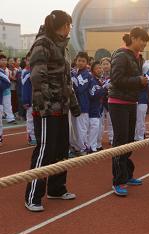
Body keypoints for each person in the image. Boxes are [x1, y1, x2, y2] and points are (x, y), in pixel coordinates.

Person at [24, 10, 81, 212]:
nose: (69, 29)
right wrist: (48, 103)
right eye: (68, 25)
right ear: (61, 25)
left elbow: (67, 80)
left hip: (61, 106)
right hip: (47, 108)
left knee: (61, 149)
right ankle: (32, 195)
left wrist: (73, 103)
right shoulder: (43, 43)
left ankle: (56, 188)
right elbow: (38, 78)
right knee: (45, 151)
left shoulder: (63, 46)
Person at [108, 27, 149, 196]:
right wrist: (138, 80)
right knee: (120, 141)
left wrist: (141, 83)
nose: (145, 44)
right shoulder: (121, 55)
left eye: (146, 41)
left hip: (131, 101)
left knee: (129, 140)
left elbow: (133, 81)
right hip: (118, 102)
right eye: (142, 40)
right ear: (133, 38)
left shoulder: (138, 57)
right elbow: (116, 79)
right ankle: (118, 180)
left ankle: (126, 174)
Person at [70, 52, 92, 156]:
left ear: (87, 63)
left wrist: (73, 79)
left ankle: (84, 148)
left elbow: (80, 89)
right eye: (79, 60)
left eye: (83, 61)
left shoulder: (87, 74)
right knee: (74, 129)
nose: (80, 63)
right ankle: (77, 147)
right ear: (75, 61)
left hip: (82, 106)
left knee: (81, 129)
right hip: (74, 105)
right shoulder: (75, 73)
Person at [88, 61, 106, 152]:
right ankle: (92, 148)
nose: (100, 70)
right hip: (93, 110)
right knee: (94, 128)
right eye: (97, 68)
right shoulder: (92, 81)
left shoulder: (99, 80)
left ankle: (96, 145)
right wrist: (104, 89)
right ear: (92, 70)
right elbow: (93, 94)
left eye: (100, 68)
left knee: (99, 128)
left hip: (99, 109)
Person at [21, 54, 36, 146]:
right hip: (30, 101)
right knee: (30, 119)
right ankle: (31, 137)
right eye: (28, 60)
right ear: (26, 61)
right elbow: (25, 88)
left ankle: (37, 136)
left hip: (39, 101)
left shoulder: (39, 71)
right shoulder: (27, 74)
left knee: (38, 120)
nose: (30, 62)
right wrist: (26, 101)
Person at [99, 57, 113, 146]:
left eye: (107, 64)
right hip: (100, 102)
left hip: (109, 101)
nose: (105, 66)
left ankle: (112, 138)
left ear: (110, 65)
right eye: (103, 64)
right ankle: (98, 140)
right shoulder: (98, 76)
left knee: (110, 121)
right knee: (100, 122)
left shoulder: (113, 76)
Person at [0, 54, 11, 146]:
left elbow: (7, 83)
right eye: (2, 60)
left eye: (5, 60)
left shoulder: (2, 72)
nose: (4, 61)